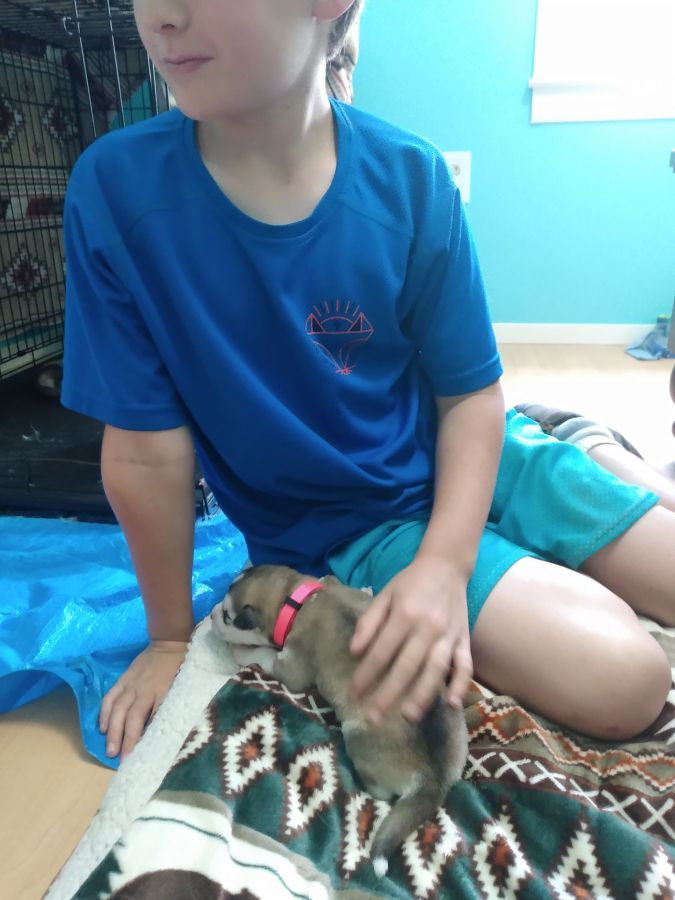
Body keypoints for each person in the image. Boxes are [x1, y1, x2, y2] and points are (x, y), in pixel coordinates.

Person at [61, 0, 674, 764]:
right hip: (358, 524)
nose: (162, 15)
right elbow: (145, 452)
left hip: (492, 453)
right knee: (626, 682)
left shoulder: (410, 177)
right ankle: (587, 455)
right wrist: (166, 639)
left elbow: (469, 398)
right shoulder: (116, 191)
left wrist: (448, 567)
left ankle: (581, 446)